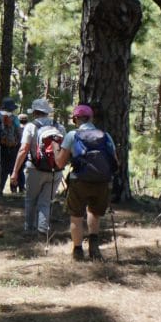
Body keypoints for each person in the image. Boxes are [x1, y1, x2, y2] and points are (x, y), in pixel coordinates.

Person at [56, 104, 117, 261]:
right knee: (94, 213)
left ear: (76, 119)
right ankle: (94, 248)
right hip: (102, 181)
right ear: (91, 118)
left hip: (79, 181)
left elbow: (60, 163)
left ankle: (77, 251)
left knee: (76, 215)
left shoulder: (72, 135)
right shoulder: (106, 136)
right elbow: (115, 162)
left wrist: (56, 148)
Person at [11, 98, 64, 236]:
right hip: (55, 170)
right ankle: (42, 230)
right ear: (47, 112)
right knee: (46, 201)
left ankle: (29, 228)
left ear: (35, 112)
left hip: (35, 169)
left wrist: (15, 171)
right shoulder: (59, 127)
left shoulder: (30, 126)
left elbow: (23, 149)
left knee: (31, 199)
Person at [0, 96, 23, 188]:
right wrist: (19, 143)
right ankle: (13, 188)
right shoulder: (14, 118)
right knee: (12, 167)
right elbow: (19, 131)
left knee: (0, 168)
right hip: (11, 146)